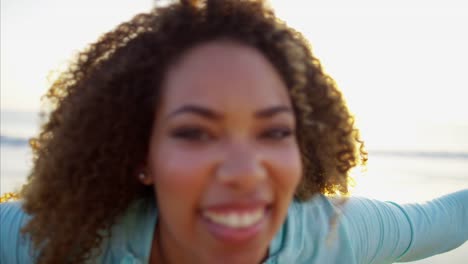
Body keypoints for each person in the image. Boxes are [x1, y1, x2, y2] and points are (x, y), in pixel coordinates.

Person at [1, 0, 467, 263]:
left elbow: (441, 221)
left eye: (275, 132)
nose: (245, 173)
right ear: (140, 156)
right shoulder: (56, 244)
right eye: (195, 133)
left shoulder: (326, 236)